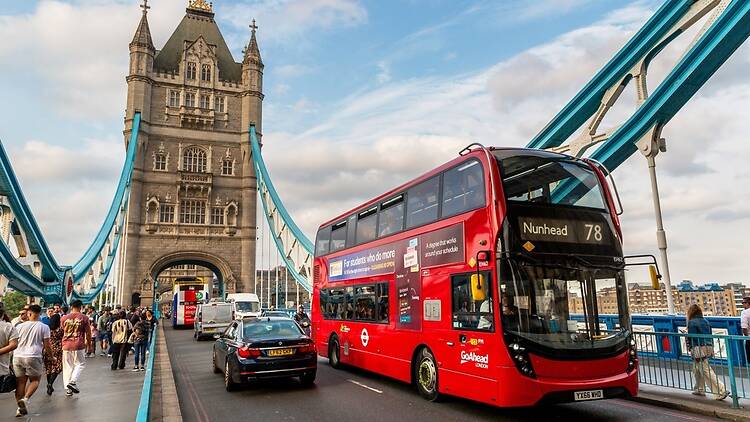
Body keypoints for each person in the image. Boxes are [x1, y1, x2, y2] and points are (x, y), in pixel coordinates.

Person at [13, 304, 51, 417]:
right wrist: (51, 356)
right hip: (33, 356)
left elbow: (14, 342)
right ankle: (25, 399)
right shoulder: (44, 327)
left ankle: (19, 409)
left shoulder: (19, 327)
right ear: (39, 314)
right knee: (35, 381)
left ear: (29, 313)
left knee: (20, 382)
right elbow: (47, 345)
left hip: (18, 356)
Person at [687, 304, 728, 400]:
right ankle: (699, 388)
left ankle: (721, 391)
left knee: (706, 370)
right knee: (696, 368)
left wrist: (690, 347)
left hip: (698, 348)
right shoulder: (706, 321)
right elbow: (710, 334)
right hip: (708, 346)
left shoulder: (691, 322)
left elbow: (692, 337)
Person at [60, 300, 91, 396]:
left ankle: (68, 390)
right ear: (80, 307)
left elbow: (62, 330)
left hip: (66, 344)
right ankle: (73, 382)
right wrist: (89, 345)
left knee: (67, 367)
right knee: (80, 364)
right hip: (78, 344)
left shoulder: (64, 318)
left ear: (71, 307)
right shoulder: (84, 318)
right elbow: (88, 333)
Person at [0, 302, 19, 398]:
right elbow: (13, 345)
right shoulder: (9, 327)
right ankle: (20, 404)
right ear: (3, 314)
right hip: (2, 368)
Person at [43, 313, 63, 395]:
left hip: (47, 349)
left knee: (48, 368)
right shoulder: (60, 330)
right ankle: (50, 384)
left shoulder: (47, 329)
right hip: (57, 350)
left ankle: (49, 384)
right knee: (57, 367)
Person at [741, 297, 750, 363]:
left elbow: (744, 327)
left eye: (744, 303)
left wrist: (747, 337)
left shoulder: (745, 312)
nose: (743, 304)